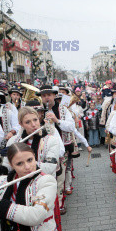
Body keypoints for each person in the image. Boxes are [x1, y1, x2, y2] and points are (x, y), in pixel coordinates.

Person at [39, 85, 75, 215]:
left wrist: (57, 120)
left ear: (54, 95)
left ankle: (60, 203)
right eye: (44, 95)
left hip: (62, 148)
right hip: (43, 149)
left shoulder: (63, 109)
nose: (46, 98)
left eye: (49, 95)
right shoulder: (38, 110)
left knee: (60, 177)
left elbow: (71, 127)